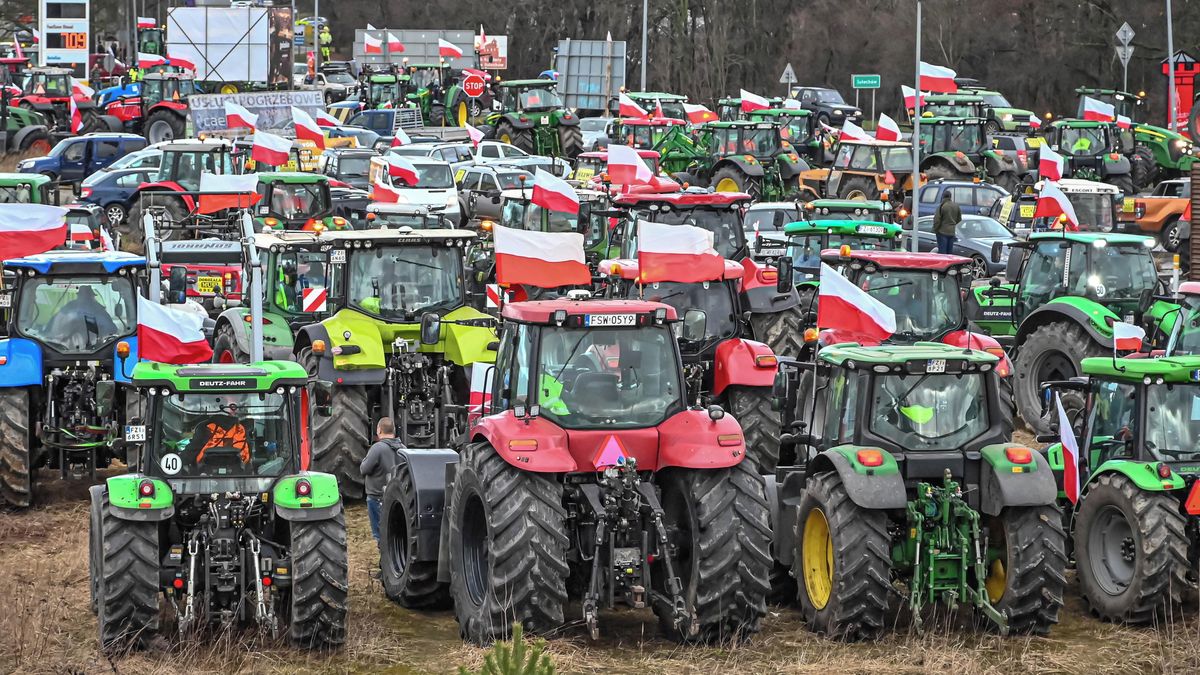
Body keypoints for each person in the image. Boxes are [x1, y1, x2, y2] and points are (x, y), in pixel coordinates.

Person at [360, 417, 403, 542]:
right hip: (397, 499)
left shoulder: (377, 448)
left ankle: (383, 558)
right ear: (394, 430)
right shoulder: (403, 448)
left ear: (379, 430)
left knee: (380, 534)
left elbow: (364, 469)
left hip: (377, 497)